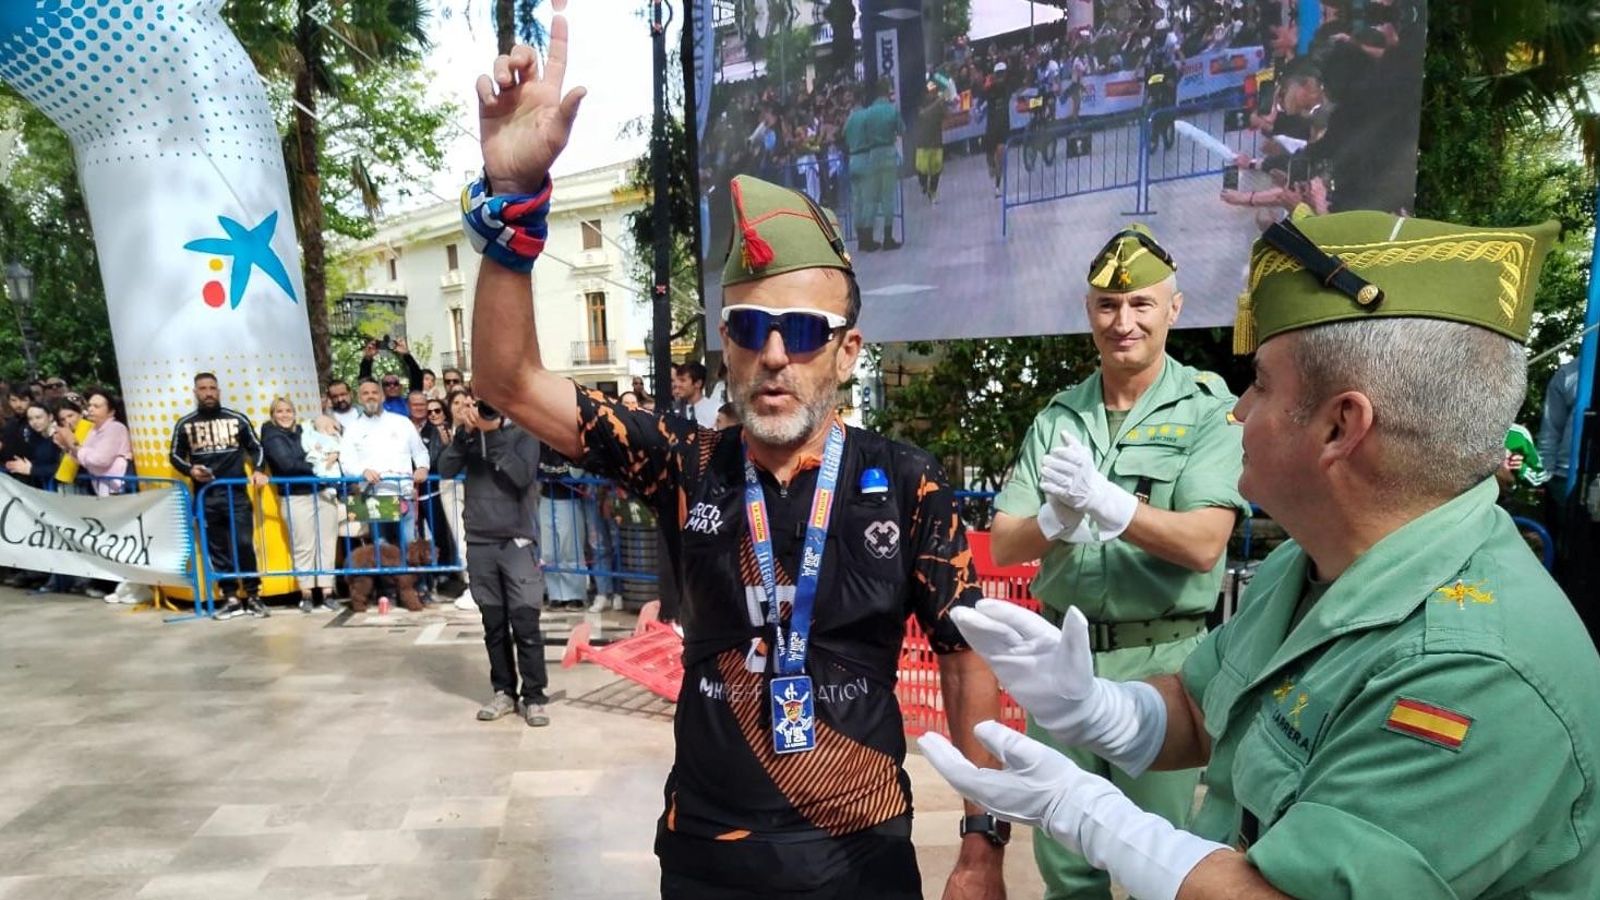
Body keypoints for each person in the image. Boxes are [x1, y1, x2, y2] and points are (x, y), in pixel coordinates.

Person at [466, 26, 1005, 894]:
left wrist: (982, 846)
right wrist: (513, 199)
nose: (775, 355)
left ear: (848, 351)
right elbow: (509, 380)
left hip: (860, 858)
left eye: (803, 331)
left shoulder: (908, 483)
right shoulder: (685, 461)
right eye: (751, 329)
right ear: (727, 343)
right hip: (709, 858)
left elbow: (965, 655)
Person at [921, 211, 1600, 899]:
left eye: (1263, 384)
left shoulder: (1471, 671)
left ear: (1340, 426)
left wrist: (1095, 817)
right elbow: (1204, 708)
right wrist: (1099, 708)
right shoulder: (1304, 569)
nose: (1241, 409)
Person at [988, 224, 1246, 900]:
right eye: (1108, 306)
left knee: (1159, 859)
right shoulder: (1059, 418)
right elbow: (1005, 542)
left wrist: (1112, 505)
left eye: (1141, 304)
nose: (1123, 321)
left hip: (1164, 662)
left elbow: (1204, 542)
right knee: (1065, 855)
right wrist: (1053, 521)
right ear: (1089, 312)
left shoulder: (1209, 412)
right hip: (1063, 657)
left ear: (1174, 309)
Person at [437, 393, 550, 727]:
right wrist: (465, 434)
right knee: (493, 625)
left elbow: (522, 475)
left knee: (526, 623)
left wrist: (494, 433)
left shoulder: (525, 431)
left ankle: (534, 697)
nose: (485, 410)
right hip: (480, 540)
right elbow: (445, 468)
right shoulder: (470, 435)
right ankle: (503, 691)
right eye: (481, 403)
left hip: (517, 541)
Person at [169, 373, 271, 619]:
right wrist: (191, 470)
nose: (208, 393)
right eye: (203, 388)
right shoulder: (185, 424)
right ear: (195, 392)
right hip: (206, 497)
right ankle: (231, 597)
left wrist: (258, 470)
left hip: (237, 495)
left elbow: (256, 447)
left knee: (244, 544)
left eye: (212, 388)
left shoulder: (236, 418)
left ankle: (253, 596)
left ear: (219, 391)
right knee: (217, 549)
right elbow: (175, 455)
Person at [261, 397, 338, 613]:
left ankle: (327, 592)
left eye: (288, 410)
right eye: (279, 411)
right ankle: (306, 594)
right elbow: (286, 465)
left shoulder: (306, 431)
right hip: (296, 496)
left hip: (323, 492)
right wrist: (320, 465)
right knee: (304, 546)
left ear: (295, 413)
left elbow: (331, 439)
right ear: (272, 415)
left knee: (327, 544)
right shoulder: (271, 434)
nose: (285, 415)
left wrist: (323, 422)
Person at [338, 378, 430, 553]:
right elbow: (346, 461)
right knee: (382, 551)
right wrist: (362, 471)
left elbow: (420, 452)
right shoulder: (353, 429)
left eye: (374, 392)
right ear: (359, 398)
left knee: (409, 548)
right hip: (373, 498)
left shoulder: (402, 422)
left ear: (382, 396)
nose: (370, 396)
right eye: (365, 393)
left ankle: (412, 572)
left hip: (403, 495)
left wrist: (422, 467)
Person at [841, 78, 902, 251]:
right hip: (867, 158)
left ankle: (861, 238)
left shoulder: (850, 118)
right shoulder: (867, 114)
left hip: (852, 159)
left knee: (857, 201)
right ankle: (872, 239)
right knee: (871, 200)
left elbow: (843, 134)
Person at [358, 336, 424, 416]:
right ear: (382, 388)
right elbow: (365, 384)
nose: (392, 386)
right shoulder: (377, 406)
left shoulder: (409, 403)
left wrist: (406, 355)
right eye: (387, 384)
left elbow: (417, 377)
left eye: (395, 383)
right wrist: (367, 359)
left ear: (400, 386)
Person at [914, 77, 947, 204]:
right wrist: (937, 103)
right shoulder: (921, 103)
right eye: (931, 91)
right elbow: (922, 115)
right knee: (922, 170)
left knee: (936, 171)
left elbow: (947, 115)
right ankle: (924, 186)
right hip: (923, 143)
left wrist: (943, 105)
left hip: (936, 142)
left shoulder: (939, 103)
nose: (933, 94)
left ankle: (933, 193)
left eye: (935, 91)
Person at [669, 362, 719, 428]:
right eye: (677, 380)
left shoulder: (716, 410)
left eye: (682, 380)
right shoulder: (673, 410)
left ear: (698, 383)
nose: (677, 384)